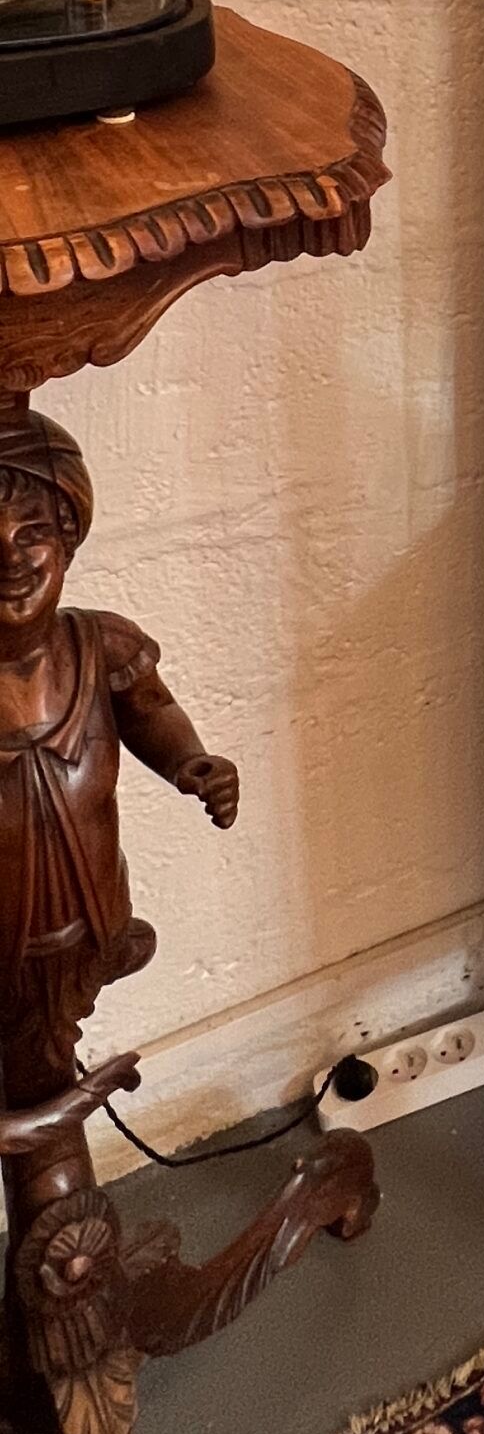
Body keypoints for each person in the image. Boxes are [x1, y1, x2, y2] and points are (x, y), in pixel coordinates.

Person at [0, 410, 238, 1112]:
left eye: (33, 533)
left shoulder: (99, 645)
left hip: (93, 925)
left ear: (68, 540)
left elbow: (153, 712)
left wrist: (192, 762)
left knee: (50, 1055)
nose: (10, 560)